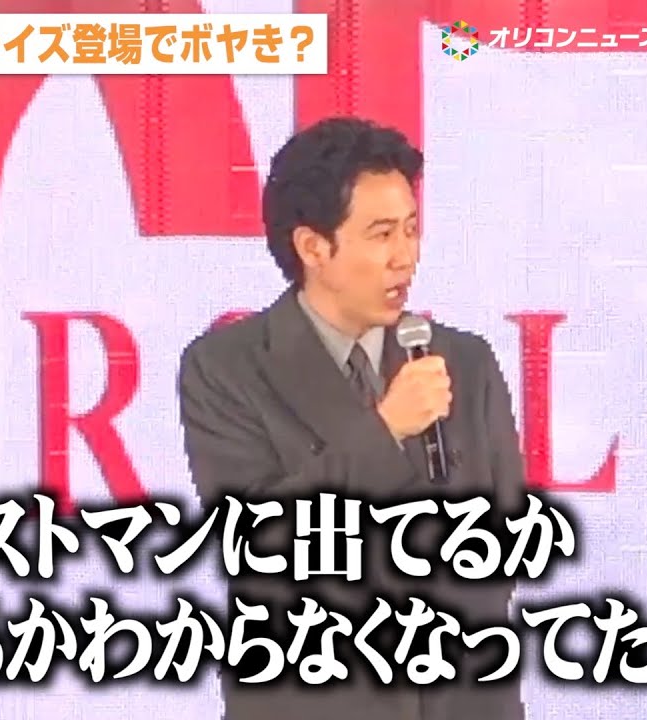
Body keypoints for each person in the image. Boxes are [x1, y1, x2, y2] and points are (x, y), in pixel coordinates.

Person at [177, 117, 526, 720]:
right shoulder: (227, 368)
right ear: (313, 247)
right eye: (381, 234)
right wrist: (384, 432)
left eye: (411, 229)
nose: (405, 257)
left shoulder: (463, 361)